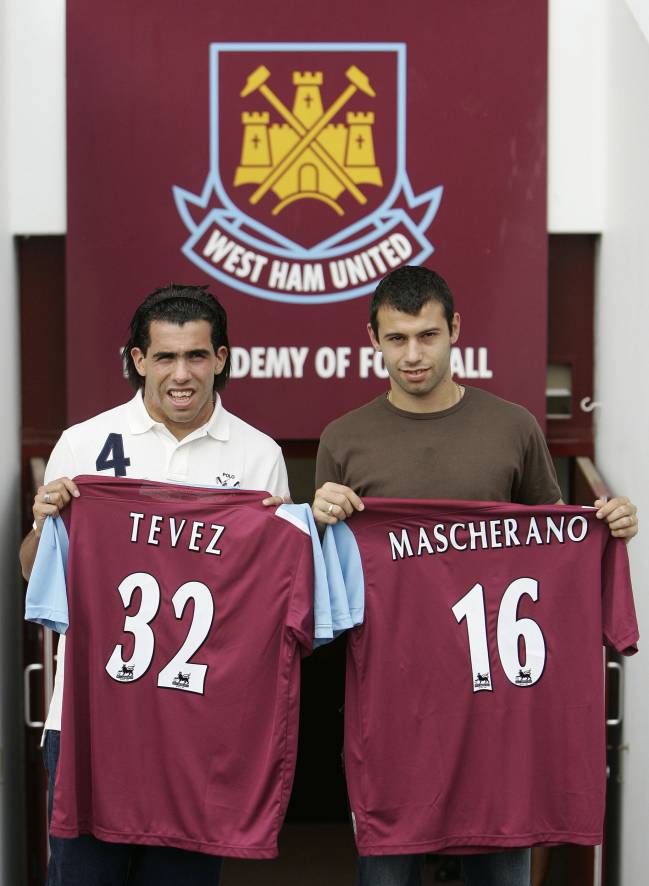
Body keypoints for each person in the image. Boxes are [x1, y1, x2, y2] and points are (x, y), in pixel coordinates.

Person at [311, 265, 638, 886]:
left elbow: (555, 546)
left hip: (500, 705)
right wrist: (321, 523)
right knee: (386, 873)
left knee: (501, 870)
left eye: (428, 335)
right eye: (397, 338)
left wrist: (607, 527)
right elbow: (323, 588)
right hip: (395, 706)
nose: (413, 354)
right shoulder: (343, 440)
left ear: (455, 330)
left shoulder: (513, 427)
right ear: (373, 339)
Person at [20, 283, 290, 886]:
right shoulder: (84, 443)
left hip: (198, 725)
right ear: (138, 360)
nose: (182, 374)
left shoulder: (259, 455)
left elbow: (269, 600)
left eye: (197, 356)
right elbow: (31, 571)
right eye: (165, 357)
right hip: (90, 720)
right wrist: (44, 524)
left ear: (222, 358)